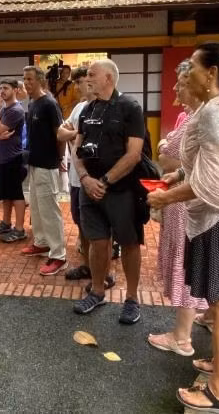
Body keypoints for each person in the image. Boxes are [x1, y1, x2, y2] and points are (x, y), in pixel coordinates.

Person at [147, 42, 219, 412]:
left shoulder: (213, 115)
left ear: (211, 74)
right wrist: (179, 173)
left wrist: (167, 197)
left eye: (192, 66)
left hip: (215, 217)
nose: (185, 72)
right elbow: (211, 163)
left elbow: (213, 180)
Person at [71, 59, 146, 325]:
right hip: (89, 189)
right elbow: (76, 149)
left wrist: (103, 181)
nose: (86, 78)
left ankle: (132, 299)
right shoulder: (87, 109)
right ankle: (98, 290)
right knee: (97, 241)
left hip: (121, 189)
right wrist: (84, 179)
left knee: (128, 242)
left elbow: (134, 154)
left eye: (92, 74)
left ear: (109, 79)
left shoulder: (130, 108)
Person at [146, 60, 209, 356]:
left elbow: (171, 158)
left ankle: (182, 337)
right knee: (192, 260)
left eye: (182, 82)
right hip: (184, 196)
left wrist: (163, 148)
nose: (175, 88)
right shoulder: (190, 117)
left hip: (187, 202)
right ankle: (207, 314)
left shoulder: (201, 118)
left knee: (186, 261)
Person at [60, 66, 115, 290]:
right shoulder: (80, 108)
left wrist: (75, 135)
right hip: (77, 178)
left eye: (85, 80)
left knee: (102, 230)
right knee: (81, 224)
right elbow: (61, 133)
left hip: (99, 180)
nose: (81, 85)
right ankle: (87, 266)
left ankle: (106, 272)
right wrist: (78, 135)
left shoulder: (113, 107)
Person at [20, 66, 67, 276]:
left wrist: (59, 160)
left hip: (47, 164)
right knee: (37, 208)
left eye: (30, 79)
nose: (26, 83)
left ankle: (59, 254)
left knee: (49, 209)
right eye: (24, 79)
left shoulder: (49, 103)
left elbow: (60, 134)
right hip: (34, 161)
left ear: (40, 80)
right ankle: (41, 242)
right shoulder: (33, 103)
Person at [0, 78, 28, 243]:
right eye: (1, 88)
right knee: (4, 193)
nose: (2, 91)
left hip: (12, 158)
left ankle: (19, 229)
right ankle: (6, 222)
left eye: (6, 88)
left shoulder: (15, 110)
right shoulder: (5, 109)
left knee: (16, 194)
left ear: (16, 90)